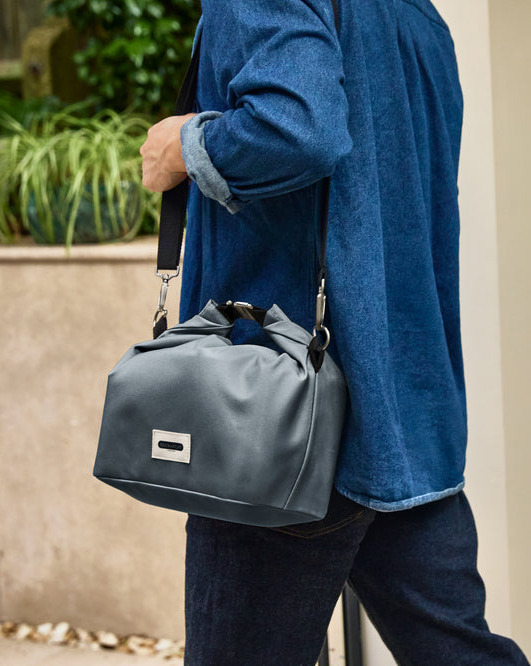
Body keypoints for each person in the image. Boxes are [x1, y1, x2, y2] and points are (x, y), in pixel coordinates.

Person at [140, 0, 530, 664]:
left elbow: (299, 129)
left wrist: (183, 143)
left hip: (277, 424)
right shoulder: (417, 16)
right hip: (407, 414)